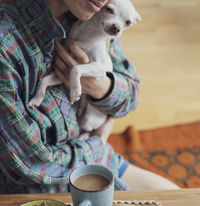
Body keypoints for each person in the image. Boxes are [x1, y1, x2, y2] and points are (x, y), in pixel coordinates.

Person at [0, 0, 179, 194]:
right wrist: (98, 142)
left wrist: (100, 87)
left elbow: (132, 96)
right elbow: (30, 165)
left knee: (180, 203)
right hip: (41, 190)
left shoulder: (97, 12)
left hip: (97, 159)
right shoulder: (6, 47)